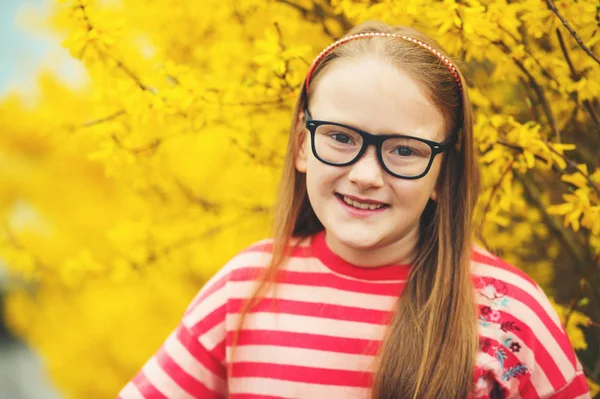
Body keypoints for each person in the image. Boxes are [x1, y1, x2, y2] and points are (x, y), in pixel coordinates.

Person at [117, 21, 591, 399]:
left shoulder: (509, 315)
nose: (366, 173)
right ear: (303, 144)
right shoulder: (244, 288)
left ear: (444, 174)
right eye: (341, 138)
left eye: (404, 150)